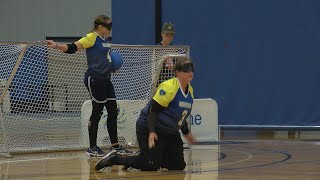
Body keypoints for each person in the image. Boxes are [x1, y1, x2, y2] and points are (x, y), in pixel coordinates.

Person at [46, 15, 133, 157]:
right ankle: (92, 147)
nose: (111, 29)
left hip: (106, 79)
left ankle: (115, 146)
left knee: (112, 110)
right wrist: (56, 45)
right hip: (95, 79)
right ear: (100, 27)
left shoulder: (104, 40)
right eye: (108, 26)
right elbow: (73, 47)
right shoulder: (91, 37)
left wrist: (111, 67)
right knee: (97, 111)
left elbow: (104, 57)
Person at [95, 57, 196, 172]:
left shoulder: (190, 91)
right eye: (186, 69)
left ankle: (142, 158)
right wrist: (152, 131)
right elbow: (152, 111)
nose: (190, 72)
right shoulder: (169, 87)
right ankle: (114, 159)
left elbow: (180, 116)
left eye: (192, 69)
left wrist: (187, 133)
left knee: (178, 165)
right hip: (150, 126)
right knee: (151, 165)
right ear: (177, 72)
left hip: (170, 132)